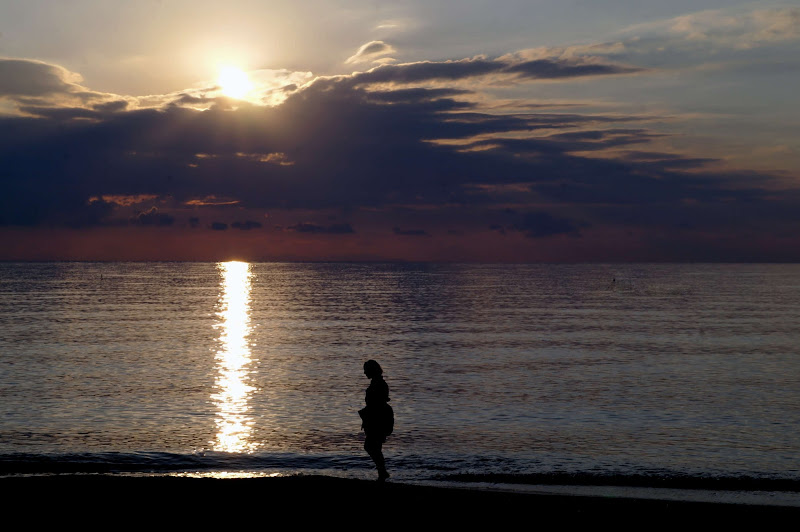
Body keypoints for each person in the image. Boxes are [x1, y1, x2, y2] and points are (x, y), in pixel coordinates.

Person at [359, 359, 393, 481]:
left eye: (366, 370)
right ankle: (382, 472)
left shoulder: (379, 384)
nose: (364, 373)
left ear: (371, 370)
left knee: (371, 446)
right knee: (374, 446)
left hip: (378, 419)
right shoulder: (377, 382)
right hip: (376, 418)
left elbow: (379, 402)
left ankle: (382, 471)